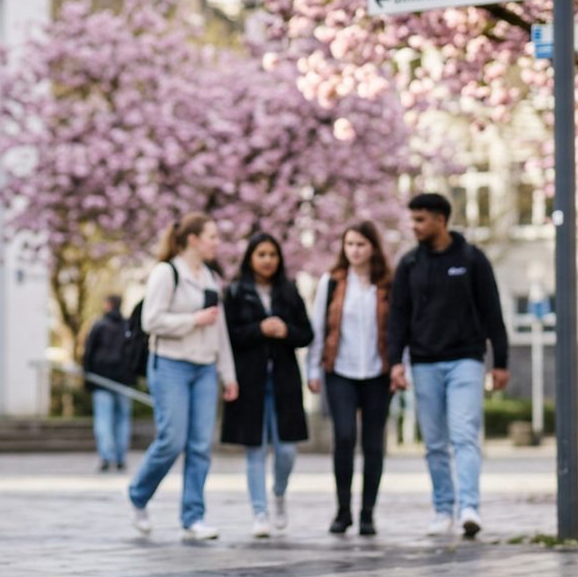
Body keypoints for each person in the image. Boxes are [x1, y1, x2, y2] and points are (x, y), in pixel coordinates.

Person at [387, 193, 508, 539]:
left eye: (420, 220)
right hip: (424, 362)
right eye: (412, 219)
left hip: (465, 360)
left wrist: (500, 362)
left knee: (464, 435)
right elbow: (398, 317)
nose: (414, 226)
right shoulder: (409, 264)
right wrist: (396, 362)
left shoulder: (472, 259)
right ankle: (443, 509)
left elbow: (492, 311)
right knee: (435, 443)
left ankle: (469, 507)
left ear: (441, 220)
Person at [128, 212, 240, 541]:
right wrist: (193, 320)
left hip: (204, 368)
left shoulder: (210, 278)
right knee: (172, 440)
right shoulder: (167, 272)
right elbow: (151, 321)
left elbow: (220, 329)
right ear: (193, 239)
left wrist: (228, 374)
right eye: (212, 237)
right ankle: (138, 494)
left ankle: (193, 517)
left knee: (201, 445)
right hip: (170, 365)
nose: (217, 243)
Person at [220, 232, 312, 537]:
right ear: (250, 258)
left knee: (287, 450)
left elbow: (306, 333)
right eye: (261, 254)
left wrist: (286, 331)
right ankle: (259, 513)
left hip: (284, 380)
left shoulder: (289, 290)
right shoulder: (236, 292)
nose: (267, 260)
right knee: (254, 448)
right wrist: (259, 329)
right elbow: (228, 335)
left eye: (272, 254)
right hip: (250, 381)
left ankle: (279, 493)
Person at [307, 221, 393, 537]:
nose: (355, 251)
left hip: (378, 372)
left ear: (373, 247)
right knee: (344, 437)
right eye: (350, 245)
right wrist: (312, 369)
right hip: (339, 371)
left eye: (361, 244)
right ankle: (343, 511)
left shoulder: (387, 283)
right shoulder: (332, 282)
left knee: (373, 443)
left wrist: (402, 367)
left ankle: (367, 513)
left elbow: (399, 328)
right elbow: (319, 328)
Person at [83, 294, 134, 472]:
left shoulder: (99, 325)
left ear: (108, 305)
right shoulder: (127, 326)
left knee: (104, 419)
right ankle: (120, 457)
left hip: (102, 378)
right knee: (122, 419)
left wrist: (88, 375)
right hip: (123, 380)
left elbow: (89, 351)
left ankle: (106, 456)